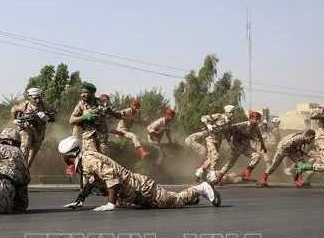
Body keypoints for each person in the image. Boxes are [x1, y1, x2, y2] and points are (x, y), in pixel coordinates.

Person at [57, 136, 221, 210]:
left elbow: (111, 178)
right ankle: (190, 197)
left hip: (142, 190)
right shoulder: (85, 161)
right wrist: (79, 202)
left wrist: (110, 204)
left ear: (69, 155)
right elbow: (90, 183)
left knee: (175, 201)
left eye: (64, 157)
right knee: (170, 199)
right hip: (134, 193)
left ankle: (202, 188)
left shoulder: (89, 160)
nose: (63, 159)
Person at [10, 87, 56, 168]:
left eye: (39, 98)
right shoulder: (24, 105)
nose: (37, 100)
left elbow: (54, 118)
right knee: (26, 144)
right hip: (26, 128)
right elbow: (13, 110)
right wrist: (14, 120)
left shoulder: (46, 105)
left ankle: (27, 168)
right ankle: (21, 167)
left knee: (34, 152)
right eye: (35, 98)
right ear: (29, 98)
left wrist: (46, 117)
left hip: (39, 131)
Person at [216, 111, 266, 183]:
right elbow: (227, 129)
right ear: (251, 119)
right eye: (256, 119)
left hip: (246, 147)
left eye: (259, 120)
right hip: (237, 147)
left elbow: (259, 135)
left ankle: (247, 173)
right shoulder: (241, 125)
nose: (258, 121)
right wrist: (229, 137)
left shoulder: (256, 127)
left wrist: (263, 145)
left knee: (257, 156)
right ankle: (218, 178)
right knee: (230, 164)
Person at [195, 105, 236, 182]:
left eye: (233, 112)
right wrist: (208, 124)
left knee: (210, 159)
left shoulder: (231, 120)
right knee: (215, 156)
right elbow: (203, 118)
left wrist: (229, 141)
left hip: (218, 139)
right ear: (226, 112)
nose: (232, 114)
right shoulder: (218, 116)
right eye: (230, 112)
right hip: (210, 138)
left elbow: (227, 131)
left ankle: (199, 171)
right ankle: (212, 175)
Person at [69, 82, 111, 155]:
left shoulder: (101, 103)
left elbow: (112, 113)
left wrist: (107, 111)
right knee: (92, 155)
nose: (82, 95)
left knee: (104, 156)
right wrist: (84, 117)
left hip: (101, 135)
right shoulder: (81, 104)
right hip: (86, 134)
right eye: (81, 93)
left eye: (85, 92)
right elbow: (71, 120)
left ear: (92, 93)